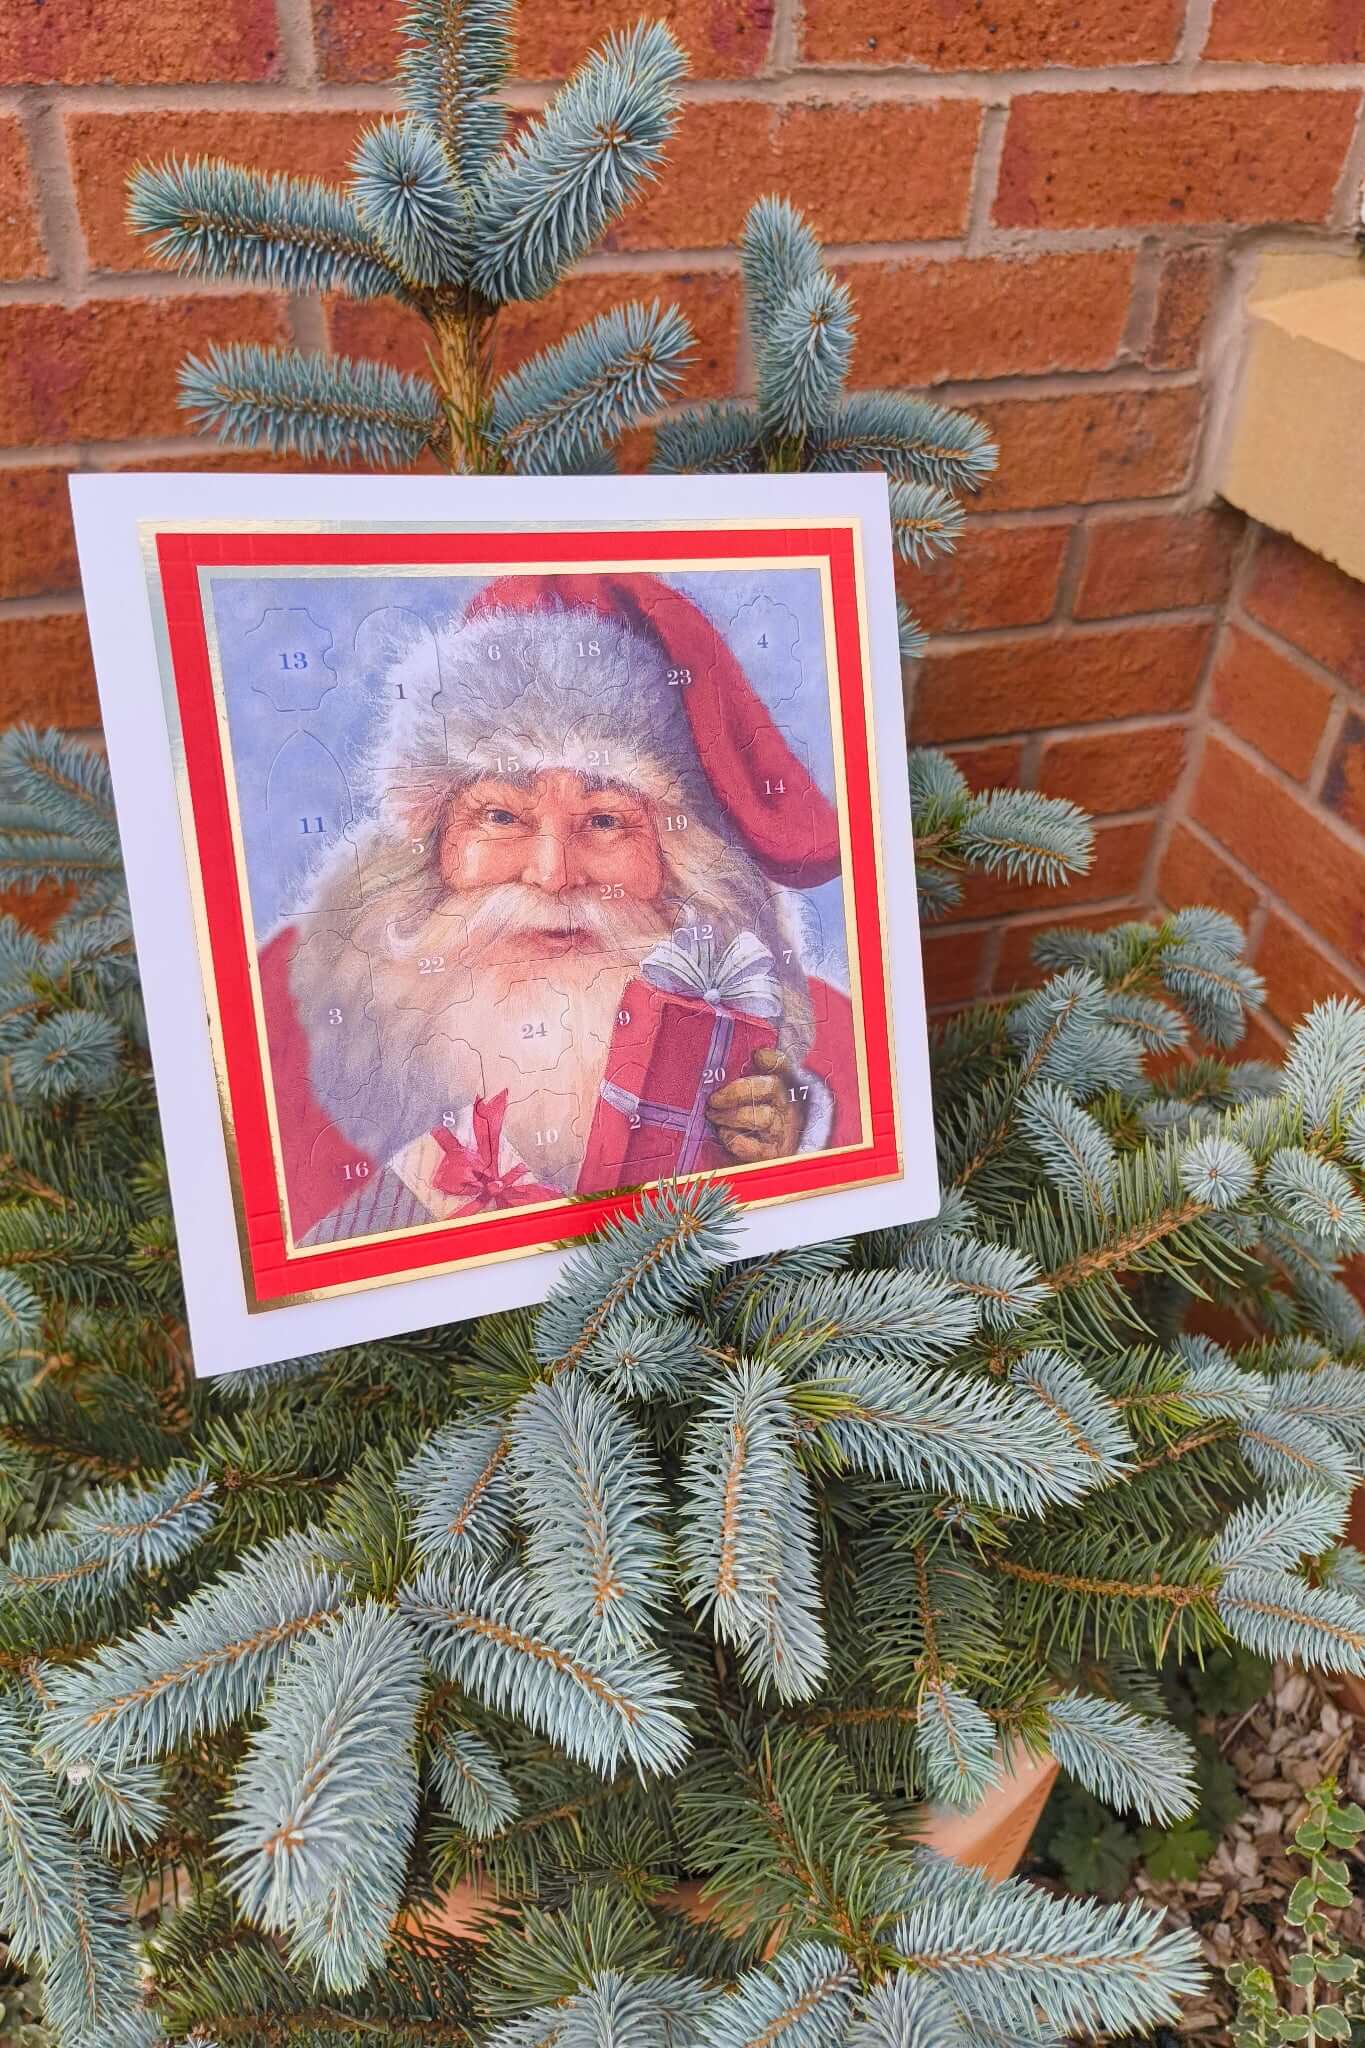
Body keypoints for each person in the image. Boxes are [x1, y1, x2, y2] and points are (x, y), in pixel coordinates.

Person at [257, 572, 859, 1245]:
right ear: (431, 842)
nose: (552, 874)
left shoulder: (826, 1040)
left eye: (604, 821)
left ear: (682, 861)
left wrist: (781, 1152)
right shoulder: (278, 1003)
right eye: (500, 814)